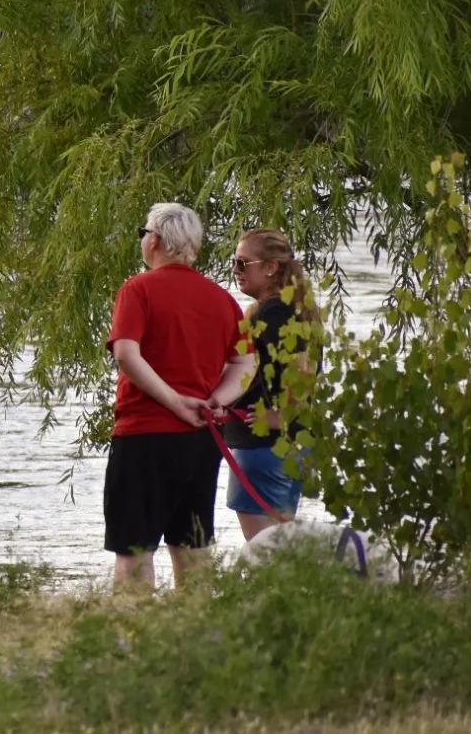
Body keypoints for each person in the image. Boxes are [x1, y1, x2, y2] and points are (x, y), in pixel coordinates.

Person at [105, 203, 252, 591]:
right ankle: (195, 636)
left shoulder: (137, 289)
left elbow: (125, 352)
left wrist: (173, 401)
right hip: (201, 440)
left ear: (153, 240)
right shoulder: (221, 299)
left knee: (134, 548)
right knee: (192, 545)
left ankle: (131, 636)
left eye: (143, 234)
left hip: (144, 434)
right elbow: (246, 363)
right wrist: (216, 401)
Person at [206, 228, 317, 541]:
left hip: (264, 448)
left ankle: (274, 591)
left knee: (264, 549)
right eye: (234, 263)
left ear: (270, 267)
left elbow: (302, 369)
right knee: (277, 545)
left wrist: (280, 416)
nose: (235, 272)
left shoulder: (273, 314)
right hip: (284, 446)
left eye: (243, 264)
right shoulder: (291, 310)